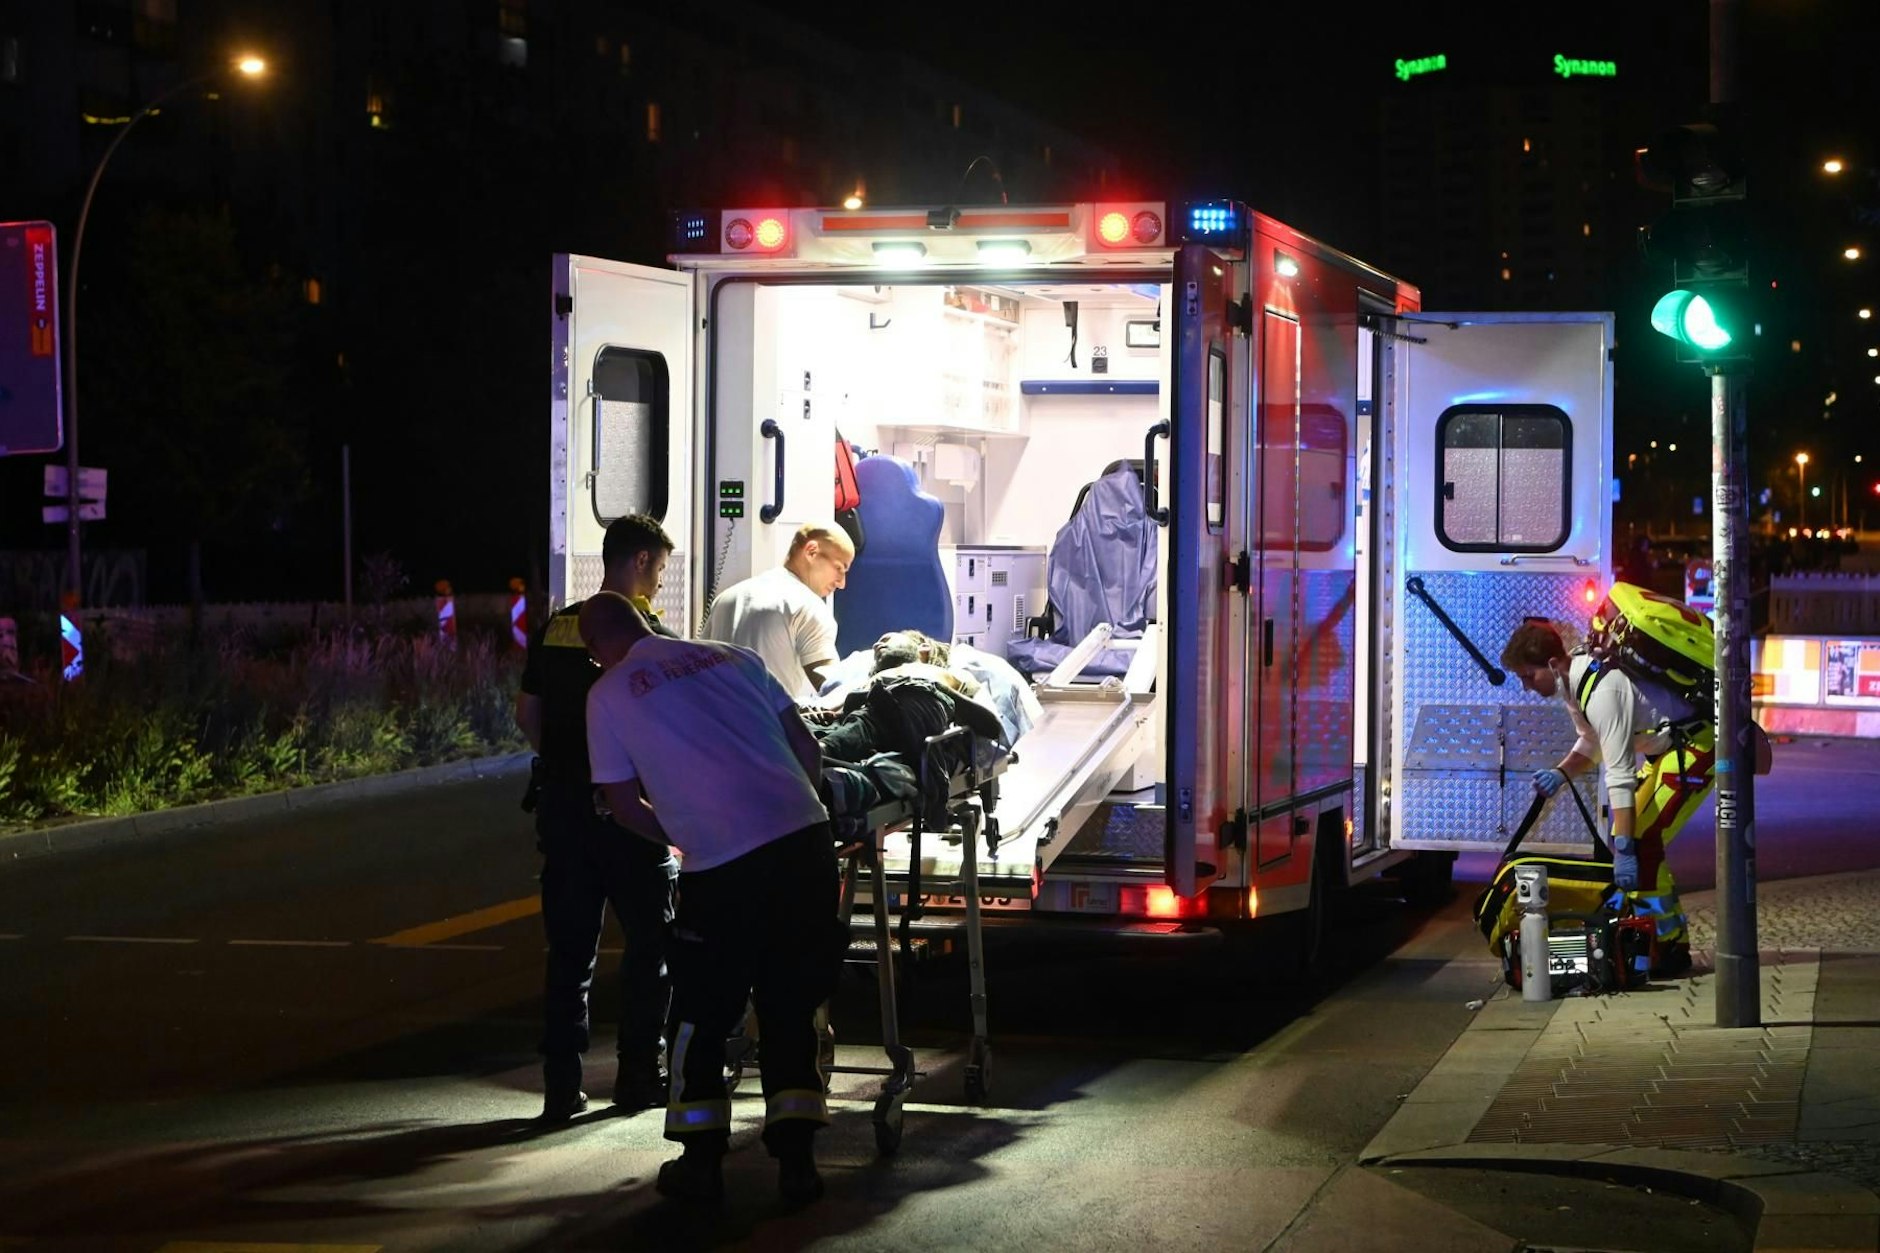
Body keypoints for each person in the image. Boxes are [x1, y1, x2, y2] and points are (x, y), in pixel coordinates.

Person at [581, 591, 844, 1205]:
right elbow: (808, 748)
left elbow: (621, 806)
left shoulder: (609, 694)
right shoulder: (734, 658)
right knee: (790, 1002)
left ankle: (701, 1164)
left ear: (598, 648)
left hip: (723, 867)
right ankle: (798, 1164)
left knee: (702, 1011)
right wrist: (787, 815)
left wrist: (684, 835)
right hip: (804, 843)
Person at [515, 514, 679, 1121]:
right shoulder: (650, 635)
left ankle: (562, 1086)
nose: (659, 584)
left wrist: (564, 768)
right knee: (648, 949)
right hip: (631, 817)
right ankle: (639, 1078)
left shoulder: (557, 626)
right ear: (638, 562)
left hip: (564, 813)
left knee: (569, 956)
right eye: (659, 569)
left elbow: (526, 715)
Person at [1501, 619, 1702, 978]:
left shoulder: (1603, 691)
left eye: (1528, 676)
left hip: (1697, 745)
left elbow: (1620, 773)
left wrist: (1623, 847)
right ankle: (1657, 938)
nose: (1526, 686)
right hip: (1667, 748)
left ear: (1550, 664)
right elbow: (1592, 742)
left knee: (1641, 840)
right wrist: (1561, 773)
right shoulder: (1574, 683)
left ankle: (1670, 947)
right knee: (1636, 838)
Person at [704, 522, 854, 701]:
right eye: (839, 568)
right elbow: (833, 689)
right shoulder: (809, 607)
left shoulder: (727, 597)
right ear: (812, 551)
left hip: (711, 722)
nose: (842, 582)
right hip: (762, 726)